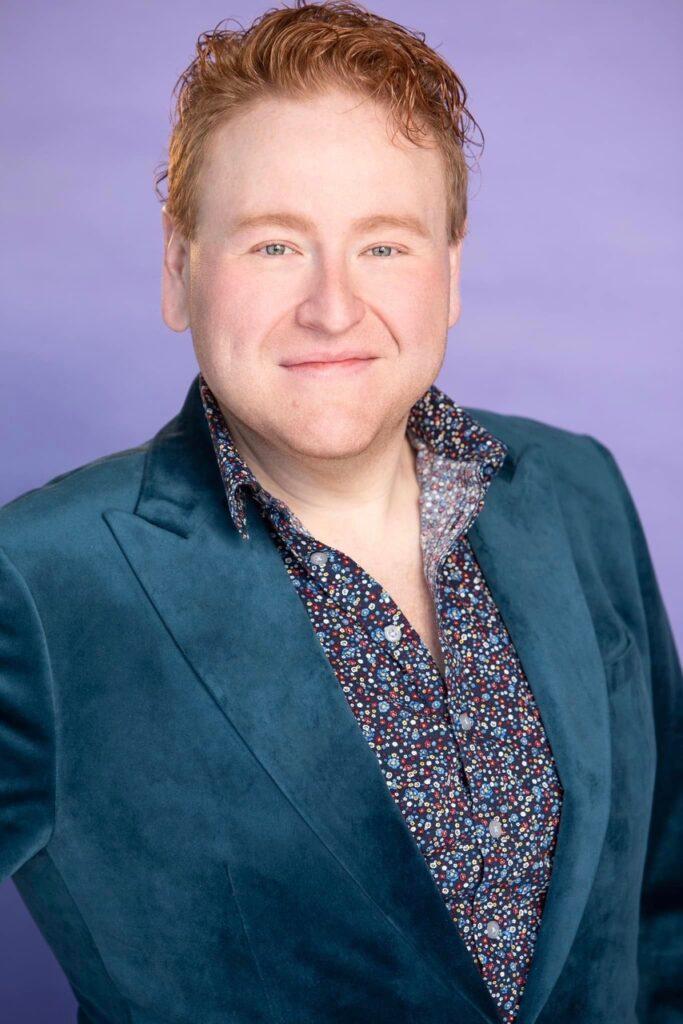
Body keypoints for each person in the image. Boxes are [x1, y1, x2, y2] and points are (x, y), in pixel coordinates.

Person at [1, 1, 680, 1022]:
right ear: (178, 267)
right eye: (273, 246)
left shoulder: (575, 489)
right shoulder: (38, 585)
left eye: (384, 246)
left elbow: (662, 901)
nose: (330, 305)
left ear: (449, 270)